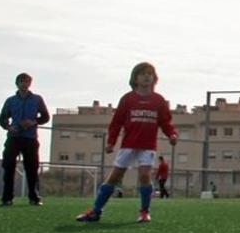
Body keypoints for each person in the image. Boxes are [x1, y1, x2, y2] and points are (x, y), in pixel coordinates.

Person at [76, 63, 177, 223]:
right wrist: (111, 142)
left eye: (150, 74)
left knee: (145, 176)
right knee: (114, 177)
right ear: (135, 78)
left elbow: (165, 122)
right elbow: (116, 123)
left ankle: (144, 212)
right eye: (143, 73)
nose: (146, 76)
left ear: (154, 78)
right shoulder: (127, 99)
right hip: (128, 145)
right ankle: (96, 211)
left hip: (147, 145)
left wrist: (172, 134)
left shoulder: (159, 100)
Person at [0, 72, 49, 206]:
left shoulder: (37, 99)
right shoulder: (10, 101)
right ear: (17, 83)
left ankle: (34, 196)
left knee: (32, 167)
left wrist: (33, 122)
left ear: (30, 83)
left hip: (30, 138)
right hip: (14, 138)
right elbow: (2, 119)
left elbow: (45, 117)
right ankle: (7, 197)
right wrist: (9, 127)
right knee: (9, 166)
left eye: (27, 81)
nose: (24, 84)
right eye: (22, 81)